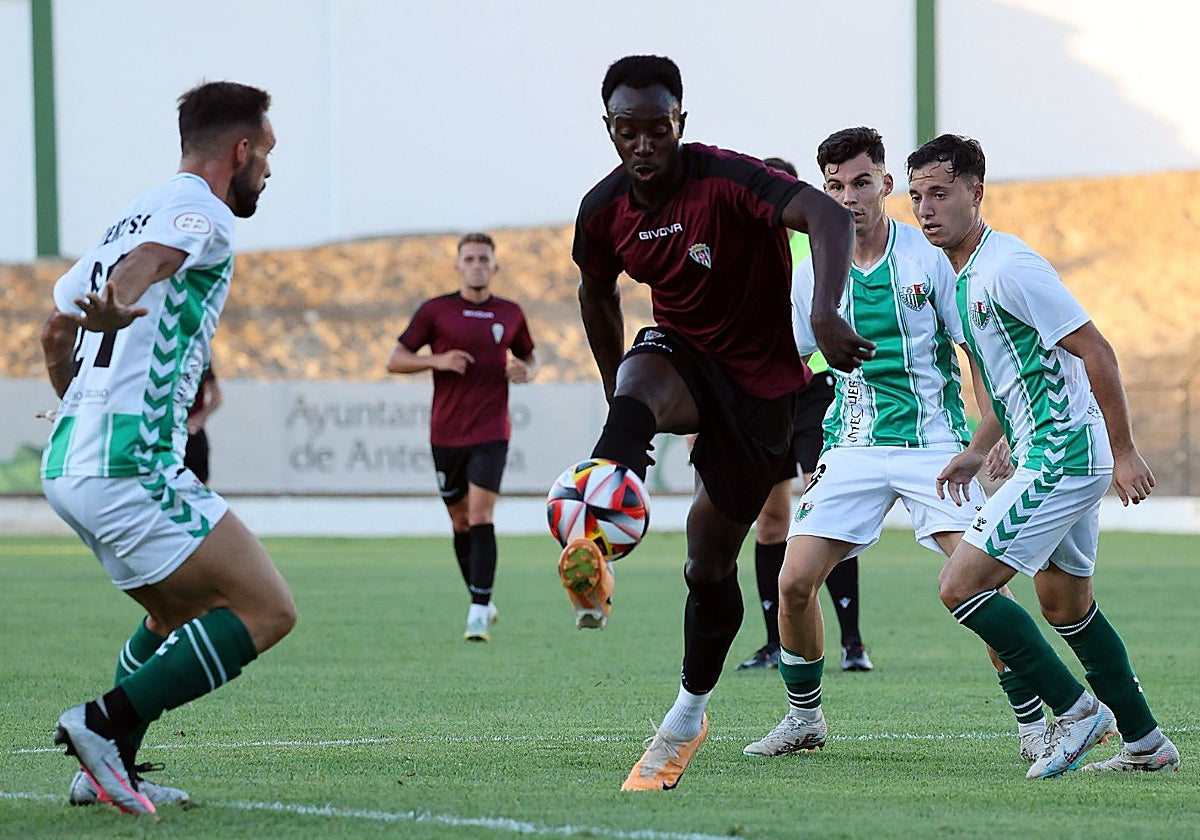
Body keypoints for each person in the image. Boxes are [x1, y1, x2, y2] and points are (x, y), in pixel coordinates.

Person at [561, 54, 864, 792]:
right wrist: (614, 395)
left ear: (680, 123)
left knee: (706, 562)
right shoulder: (604, 211)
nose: (642, 144)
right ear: (609, 129)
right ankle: (596, 530)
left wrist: (824, 310)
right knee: (642, 369)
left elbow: (824, 214)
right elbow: (595, 292)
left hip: (763, 394)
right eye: (626, 130)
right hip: (685, 361)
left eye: (656, 128)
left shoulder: (726, 179)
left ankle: (689, 715)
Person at [744, 127, 1048, 762]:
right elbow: (788, 364)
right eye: (833, 186)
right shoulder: (810, 275)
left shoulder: (929, 257)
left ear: (885, 185)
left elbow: (979, 356)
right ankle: (804, 719)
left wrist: (993, 435)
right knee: (794, 581)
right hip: (851, 445)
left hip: (932, 445)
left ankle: (1033, 723)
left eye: (861, 182)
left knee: (982, 584)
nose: (848, 196)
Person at [38, 81, 295, 815]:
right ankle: (102, 725)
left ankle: (104, 766)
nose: (269, 172)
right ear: (241, 150)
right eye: (267, 153)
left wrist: (75, 399)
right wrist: (123, 295)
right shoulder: (200, 212)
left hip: (70, 462)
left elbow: (55, 332)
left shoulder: (125, 215)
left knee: (173, 616)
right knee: (268, 611)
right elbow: (152, 261)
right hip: (132, 464)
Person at [908, 134, 1180, 777]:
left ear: (977, 192)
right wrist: (981, 449)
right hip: (1043, 451)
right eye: (917, 197)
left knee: (960, 584)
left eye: (940, 194)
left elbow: (1097, 351)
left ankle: (1077, 712)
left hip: (1063, 454)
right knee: (1065, 606)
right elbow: (1014, 377)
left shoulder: (1011, 268)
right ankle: (1147, 746)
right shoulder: (967, 273)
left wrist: (1125, 451)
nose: (925, 209)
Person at [736, 156, 871, 674]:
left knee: (827, 508)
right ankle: (774, 642)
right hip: (762, 396)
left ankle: (853, 642)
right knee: (770, 519)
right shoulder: (737, 251)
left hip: (817, 386)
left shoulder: (813, 241)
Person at [386, 232, 537, 642]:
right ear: (458, 266)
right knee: (459, 521)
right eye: (469, 258)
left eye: (484, 259)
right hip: (446, 433)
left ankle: (477, 609)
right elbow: (395, 359)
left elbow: (529, 357)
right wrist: (438, 360)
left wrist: (526, 370)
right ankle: (480, 596)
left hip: (491, 431)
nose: (477, 265)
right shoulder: (436, 311)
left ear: (494, 266)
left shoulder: (510, 313)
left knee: (481, 515)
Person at [184, 365, 222, 484]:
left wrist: (198, 418)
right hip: (171, 434)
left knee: (199, 482)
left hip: (192, 434)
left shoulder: (201, 361)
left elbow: (217, 398)